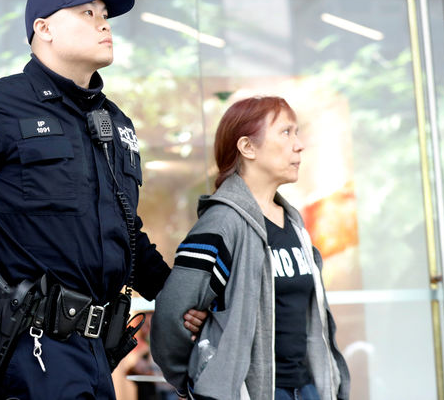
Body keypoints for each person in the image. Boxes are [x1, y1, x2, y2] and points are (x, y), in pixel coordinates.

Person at [0, 0, 182, 399]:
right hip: (29, 349)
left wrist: (175, 295)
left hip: (97, 351)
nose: (103, 23)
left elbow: (127, 232)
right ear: (45, 28)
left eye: (105, 14)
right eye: (87, 13)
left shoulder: (115, 124)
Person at [150, 96, 350, 400]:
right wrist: (197, 383)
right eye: (286, 132)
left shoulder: (295, 224)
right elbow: (170, 319)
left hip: (307, 388)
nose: (298, 145)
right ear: (247, 147)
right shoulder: (221, 224)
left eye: (297, 132)